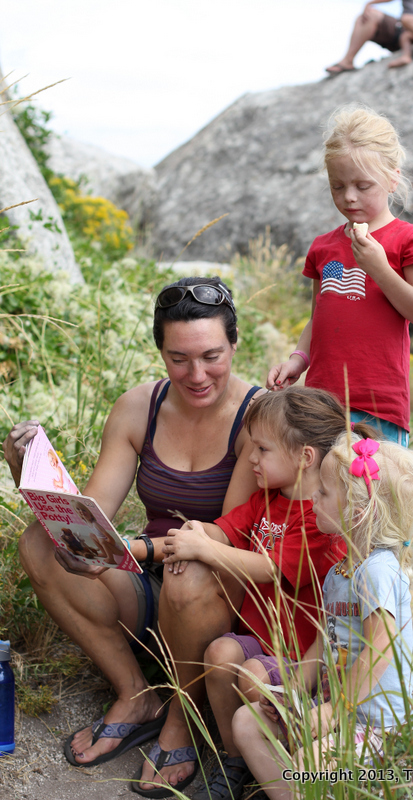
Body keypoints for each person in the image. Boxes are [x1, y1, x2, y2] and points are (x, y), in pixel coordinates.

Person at [3, 277, 263, 798]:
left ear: (235, 344)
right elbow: (91, 514)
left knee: (191, 570)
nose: (196, 375)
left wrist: (136, 550)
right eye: (178, 358)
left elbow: (223, 538)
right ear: (160, 352)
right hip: (151, 584)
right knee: (38, 544)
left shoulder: (256, 416)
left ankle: (182, 719)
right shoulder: (138, 406)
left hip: (223, 595)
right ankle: (135, 692)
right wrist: (29, 473)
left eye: (212, 355)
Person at [162, 388, 376, 800]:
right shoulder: (266, 502)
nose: (251, 459)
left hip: (299, 653)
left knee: (253, 678)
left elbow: (271, 569)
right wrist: (192, 534)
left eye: (261, 448)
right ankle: (236, 758)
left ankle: (277, 762)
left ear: (304, 457)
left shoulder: (320, 519)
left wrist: (204, 549)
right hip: (259, 638)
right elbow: (224, 530)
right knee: (220, 655)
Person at [231, 433, 413, 800]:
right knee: (247, 721)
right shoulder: (340, 571)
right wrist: (291, 693)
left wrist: (334, 712)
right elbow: (324, 642)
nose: (313, 498)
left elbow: (380, 650)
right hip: (337, 712)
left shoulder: (377, 571)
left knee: (310, 762)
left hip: (377, 726)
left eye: (323, 492)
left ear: (358, 511)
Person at [267, 106, 413, 446]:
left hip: (380, 406)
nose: (349, 196)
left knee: (376, 494)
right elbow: (319, 317)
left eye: (363, 185)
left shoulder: (408, 238)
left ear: (393, 178)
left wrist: (378, 267)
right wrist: (297, 360)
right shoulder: (323, 246)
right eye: (337, 186)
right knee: (324, 494)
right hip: (322, 404)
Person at [325, 0, 413, 75]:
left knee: (371, 15)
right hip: (405, 30)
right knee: (364, 18)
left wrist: (371, 3)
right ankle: (347, 60)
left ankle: (347, 61)